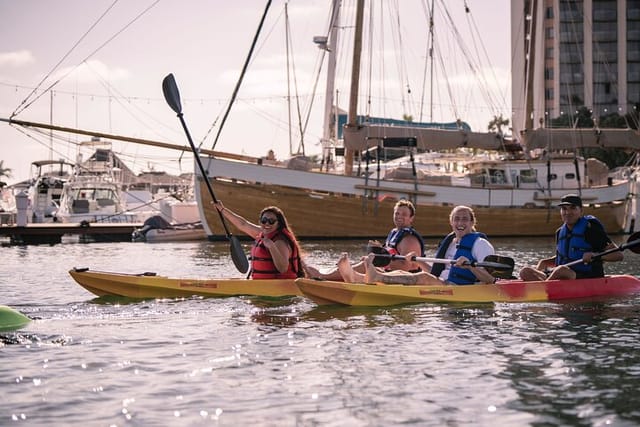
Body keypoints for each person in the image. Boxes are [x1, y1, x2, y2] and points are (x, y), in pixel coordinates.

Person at [338, 205, 496, 285]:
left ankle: (374, 277)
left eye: (464, 219)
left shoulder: (480, 244)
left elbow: (490, 279)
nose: (460, 223)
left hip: (461, 288)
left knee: (422, 277)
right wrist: (417, 261)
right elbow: (436, 271)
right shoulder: (450, 242)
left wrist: (471, 267)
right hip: (442, 283)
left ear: (472, 222)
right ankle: (357, 277)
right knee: (405, 274)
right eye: (457, 219)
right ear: (451, 222)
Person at [304, 199, 426, 280]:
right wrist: (378, 251)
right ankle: (331, 273)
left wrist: (378, 260)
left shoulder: (409, 239)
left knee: (365, 264)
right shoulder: (394, 232)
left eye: (404, 214)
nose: (399, 217)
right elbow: (390, 255)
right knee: (363, 261)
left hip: (406, 278)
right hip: (388, 272)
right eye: (397, 213)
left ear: (411, 219)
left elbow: (407, 267)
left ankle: (323, 277)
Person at [519, 194, 623, 281]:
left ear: (581, 211)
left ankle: (543, 289)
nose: (568, 212)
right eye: (564, 209)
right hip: (562, 273)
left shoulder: (591, 229)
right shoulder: (560, 232)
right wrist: (545, 262)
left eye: (573, 208)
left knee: (561, 270)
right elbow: (565, 256)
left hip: (586, 275)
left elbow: (618, 255)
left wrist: (596, 255)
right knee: (525, 271)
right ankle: (540, 287)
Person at [214, 201, 304, 279]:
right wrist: (222, 209)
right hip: (261, 284)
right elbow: (243, 224)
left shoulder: (280, 242)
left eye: (271, 221)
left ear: (278, 224)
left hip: (280, 285)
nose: (267, 223)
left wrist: (272, 247)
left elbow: (283, 268)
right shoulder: (262, 234)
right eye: (264, 220)